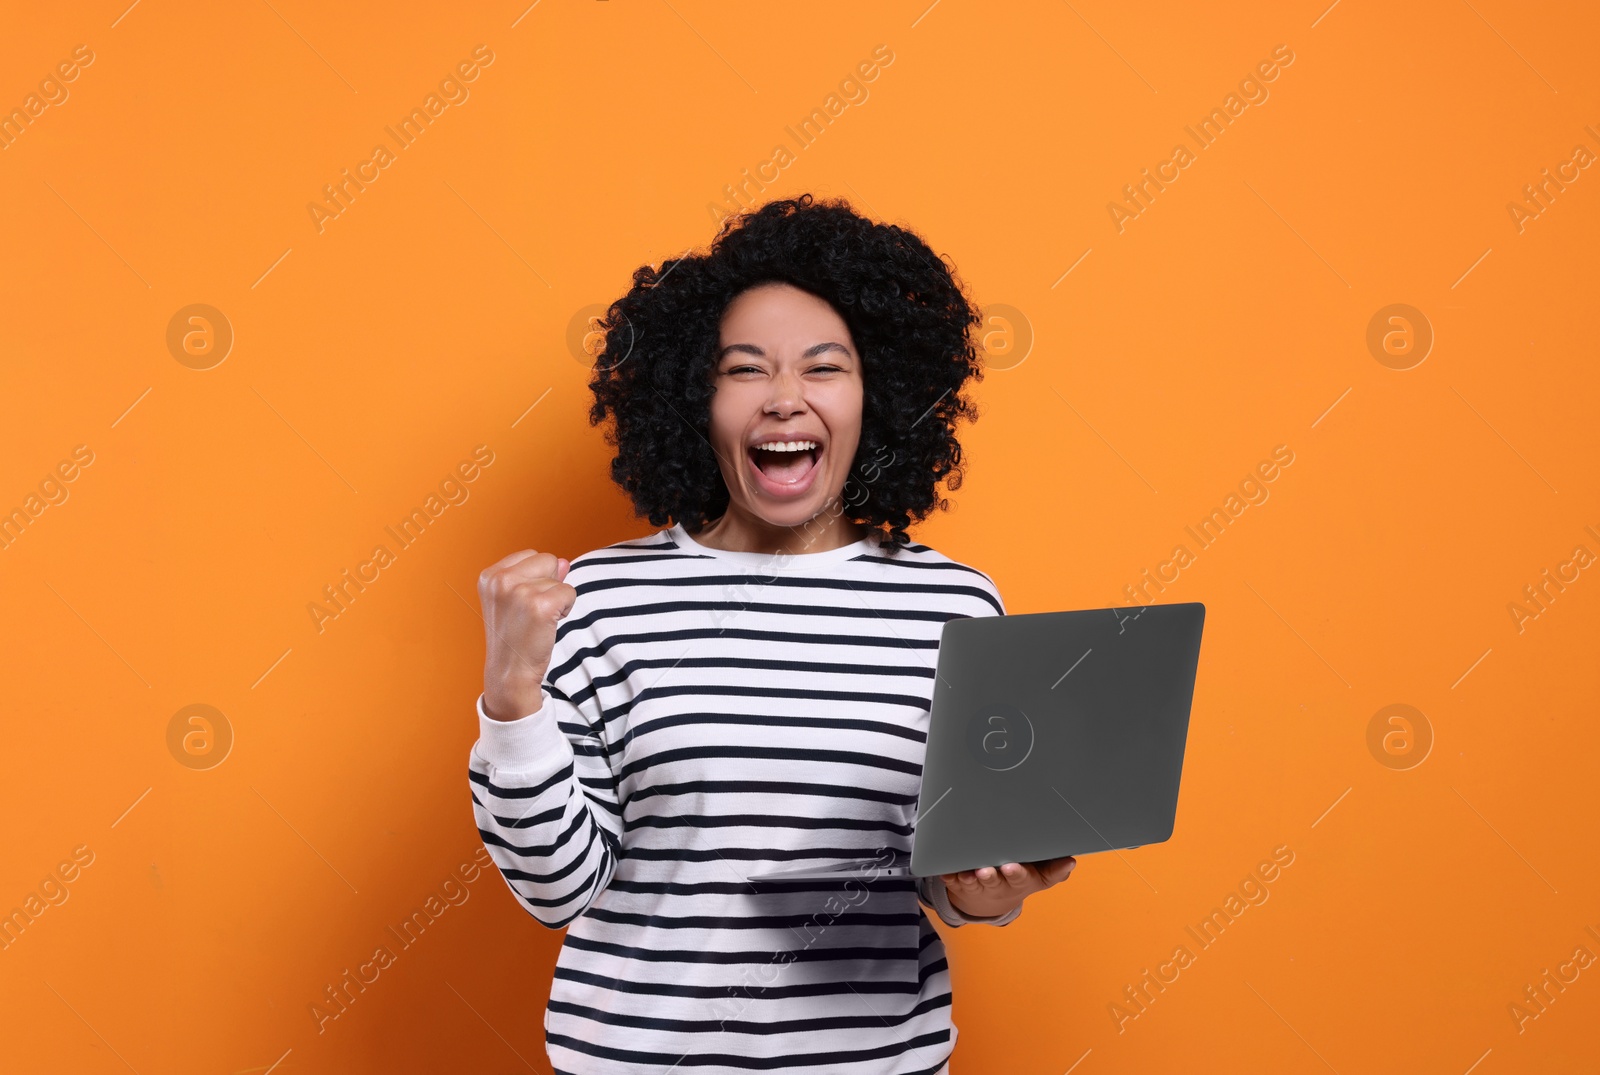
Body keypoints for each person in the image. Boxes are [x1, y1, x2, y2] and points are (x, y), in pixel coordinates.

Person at [468, 194, 1077, 1074]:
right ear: (693, 397)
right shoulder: (595, 598)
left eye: (823, 368)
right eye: (745, 369)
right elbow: (559, 889)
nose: (785, 400)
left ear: (879, 395)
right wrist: (510, 701)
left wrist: (992, 891)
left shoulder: (954, 607)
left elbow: (954, 882)